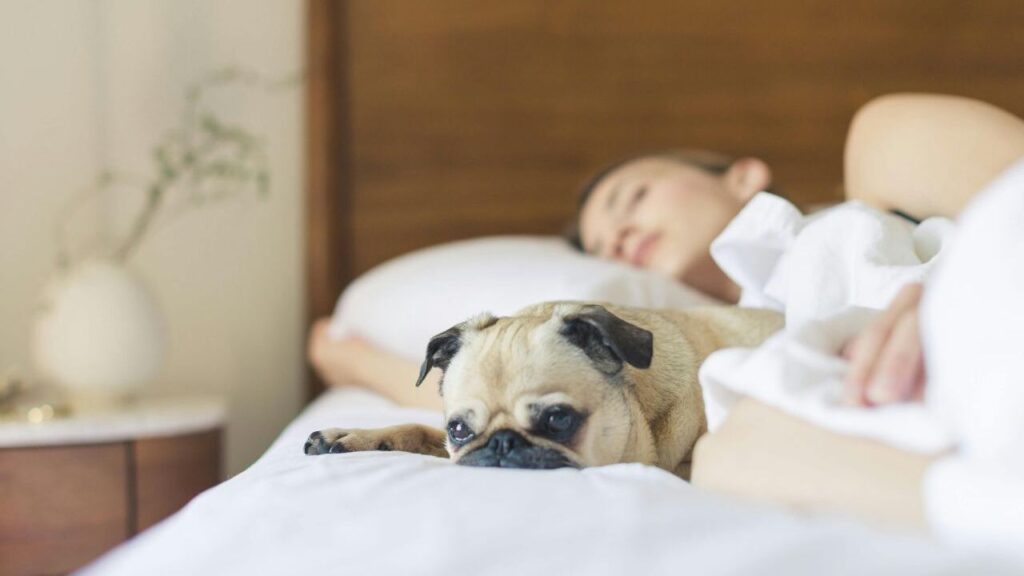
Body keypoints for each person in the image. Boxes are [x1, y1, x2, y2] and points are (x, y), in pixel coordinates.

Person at [309, 93, 1024, 541]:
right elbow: (496, 395)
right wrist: (354, 361)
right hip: (943, 415)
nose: (618, 236)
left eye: (633, 198)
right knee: (730, 460)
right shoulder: (712, 388)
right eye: (602, 248)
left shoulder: (878, 178)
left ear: (742, 175)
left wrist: (944, 292)